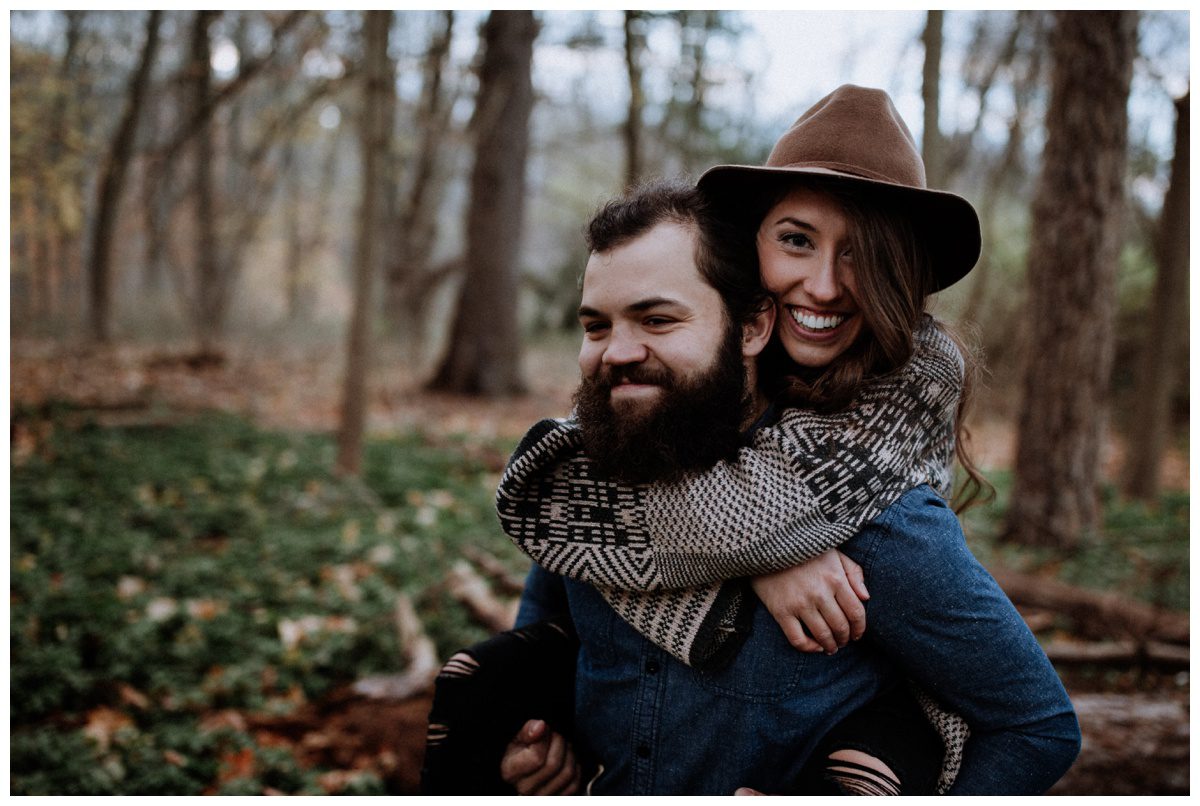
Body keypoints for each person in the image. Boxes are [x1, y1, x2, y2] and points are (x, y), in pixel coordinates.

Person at [450, 86, 1080, 794]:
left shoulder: (877, 514)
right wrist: (534, 745)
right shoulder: (611, 468)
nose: (825, 285)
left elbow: (1037, 724)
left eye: (864, 256)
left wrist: (789, 535)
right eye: (796, 239)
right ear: (751, 257)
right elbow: (550, 647)